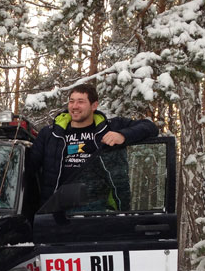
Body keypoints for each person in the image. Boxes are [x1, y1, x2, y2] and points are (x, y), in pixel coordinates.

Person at [28, 83, 159, 209]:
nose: (74, 106)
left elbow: (150, 127)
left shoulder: (110, 127)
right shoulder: (50, 133)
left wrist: (122, 135)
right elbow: (29, 167)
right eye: (71, 101)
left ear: (94, 105)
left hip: (98, 208)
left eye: (80, 101)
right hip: (57, 209)